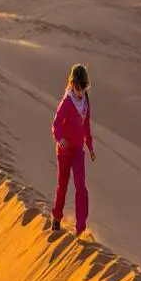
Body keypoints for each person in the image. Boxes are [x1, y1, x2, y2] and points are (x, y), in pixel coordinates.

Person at [51, 63, 96, 236]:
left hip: (78, 151)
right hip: (64, 152)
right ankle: (56, 218)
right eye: (77, 89)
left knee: (81, 187)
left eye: (83, 89)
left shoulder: (85, 101)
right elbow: (55, 124)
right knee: (63, 186)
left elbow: (86, 125)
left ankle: (81, 229)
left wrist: (90, 146)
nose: (80, 93)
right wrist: (59, 138)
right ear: (72, 84)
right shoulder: (67, 102)